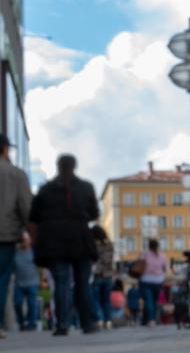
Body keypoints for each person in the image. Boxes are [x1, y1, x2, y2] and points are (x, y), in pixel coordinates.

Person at [29, 154, 99, 336]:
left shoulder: (45, 190)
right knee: (83, 282)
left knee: (61, 282)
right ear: (74, 166)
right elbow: (94, 214)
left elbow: (34, 217)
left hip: (54, 242)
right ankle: (87, 323)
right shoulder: (86, 187)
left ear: (58, 166)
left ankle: (62, 324)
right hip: (80, 239)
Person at [0, 133, 30, 334]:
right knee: (2, 279)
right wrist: (26, 232)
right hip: (5, 234)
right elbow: (25, 207)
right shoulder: (16, 174)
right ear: (5, 149)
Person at [137, 239, 167, 326]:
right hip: (158, 280)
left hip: (146, 279)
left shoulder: (144, 254)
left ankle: (151, 319)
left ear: (149, 246)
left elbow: (138, 266)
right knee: (155, 300)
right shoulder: (162, 256)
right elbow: (164, 269)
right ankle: (154, 318)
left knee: (148, 300)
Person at [90, 226, 115, 329]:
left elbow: (94, 260)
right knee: (106, 300)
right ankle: (108, 320)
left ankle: (99, 319)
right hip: (108, 275)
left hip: (97, 275)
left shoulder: (93, 245)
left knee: (95, 299)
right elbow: (109, 259)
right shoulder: (110, 245)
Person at [14, 232, 39, 331]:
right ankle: (21, 322)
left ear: (30, 241)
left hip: (32, 282)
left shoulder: (34, 252)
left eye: (26, 239)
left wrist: (42, 279)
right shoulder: (15, 252)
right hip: (19, 283)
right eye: (22, 240)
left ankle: (31, 323)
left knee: (31, 303)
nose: (24, 242)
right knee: (17, 303)